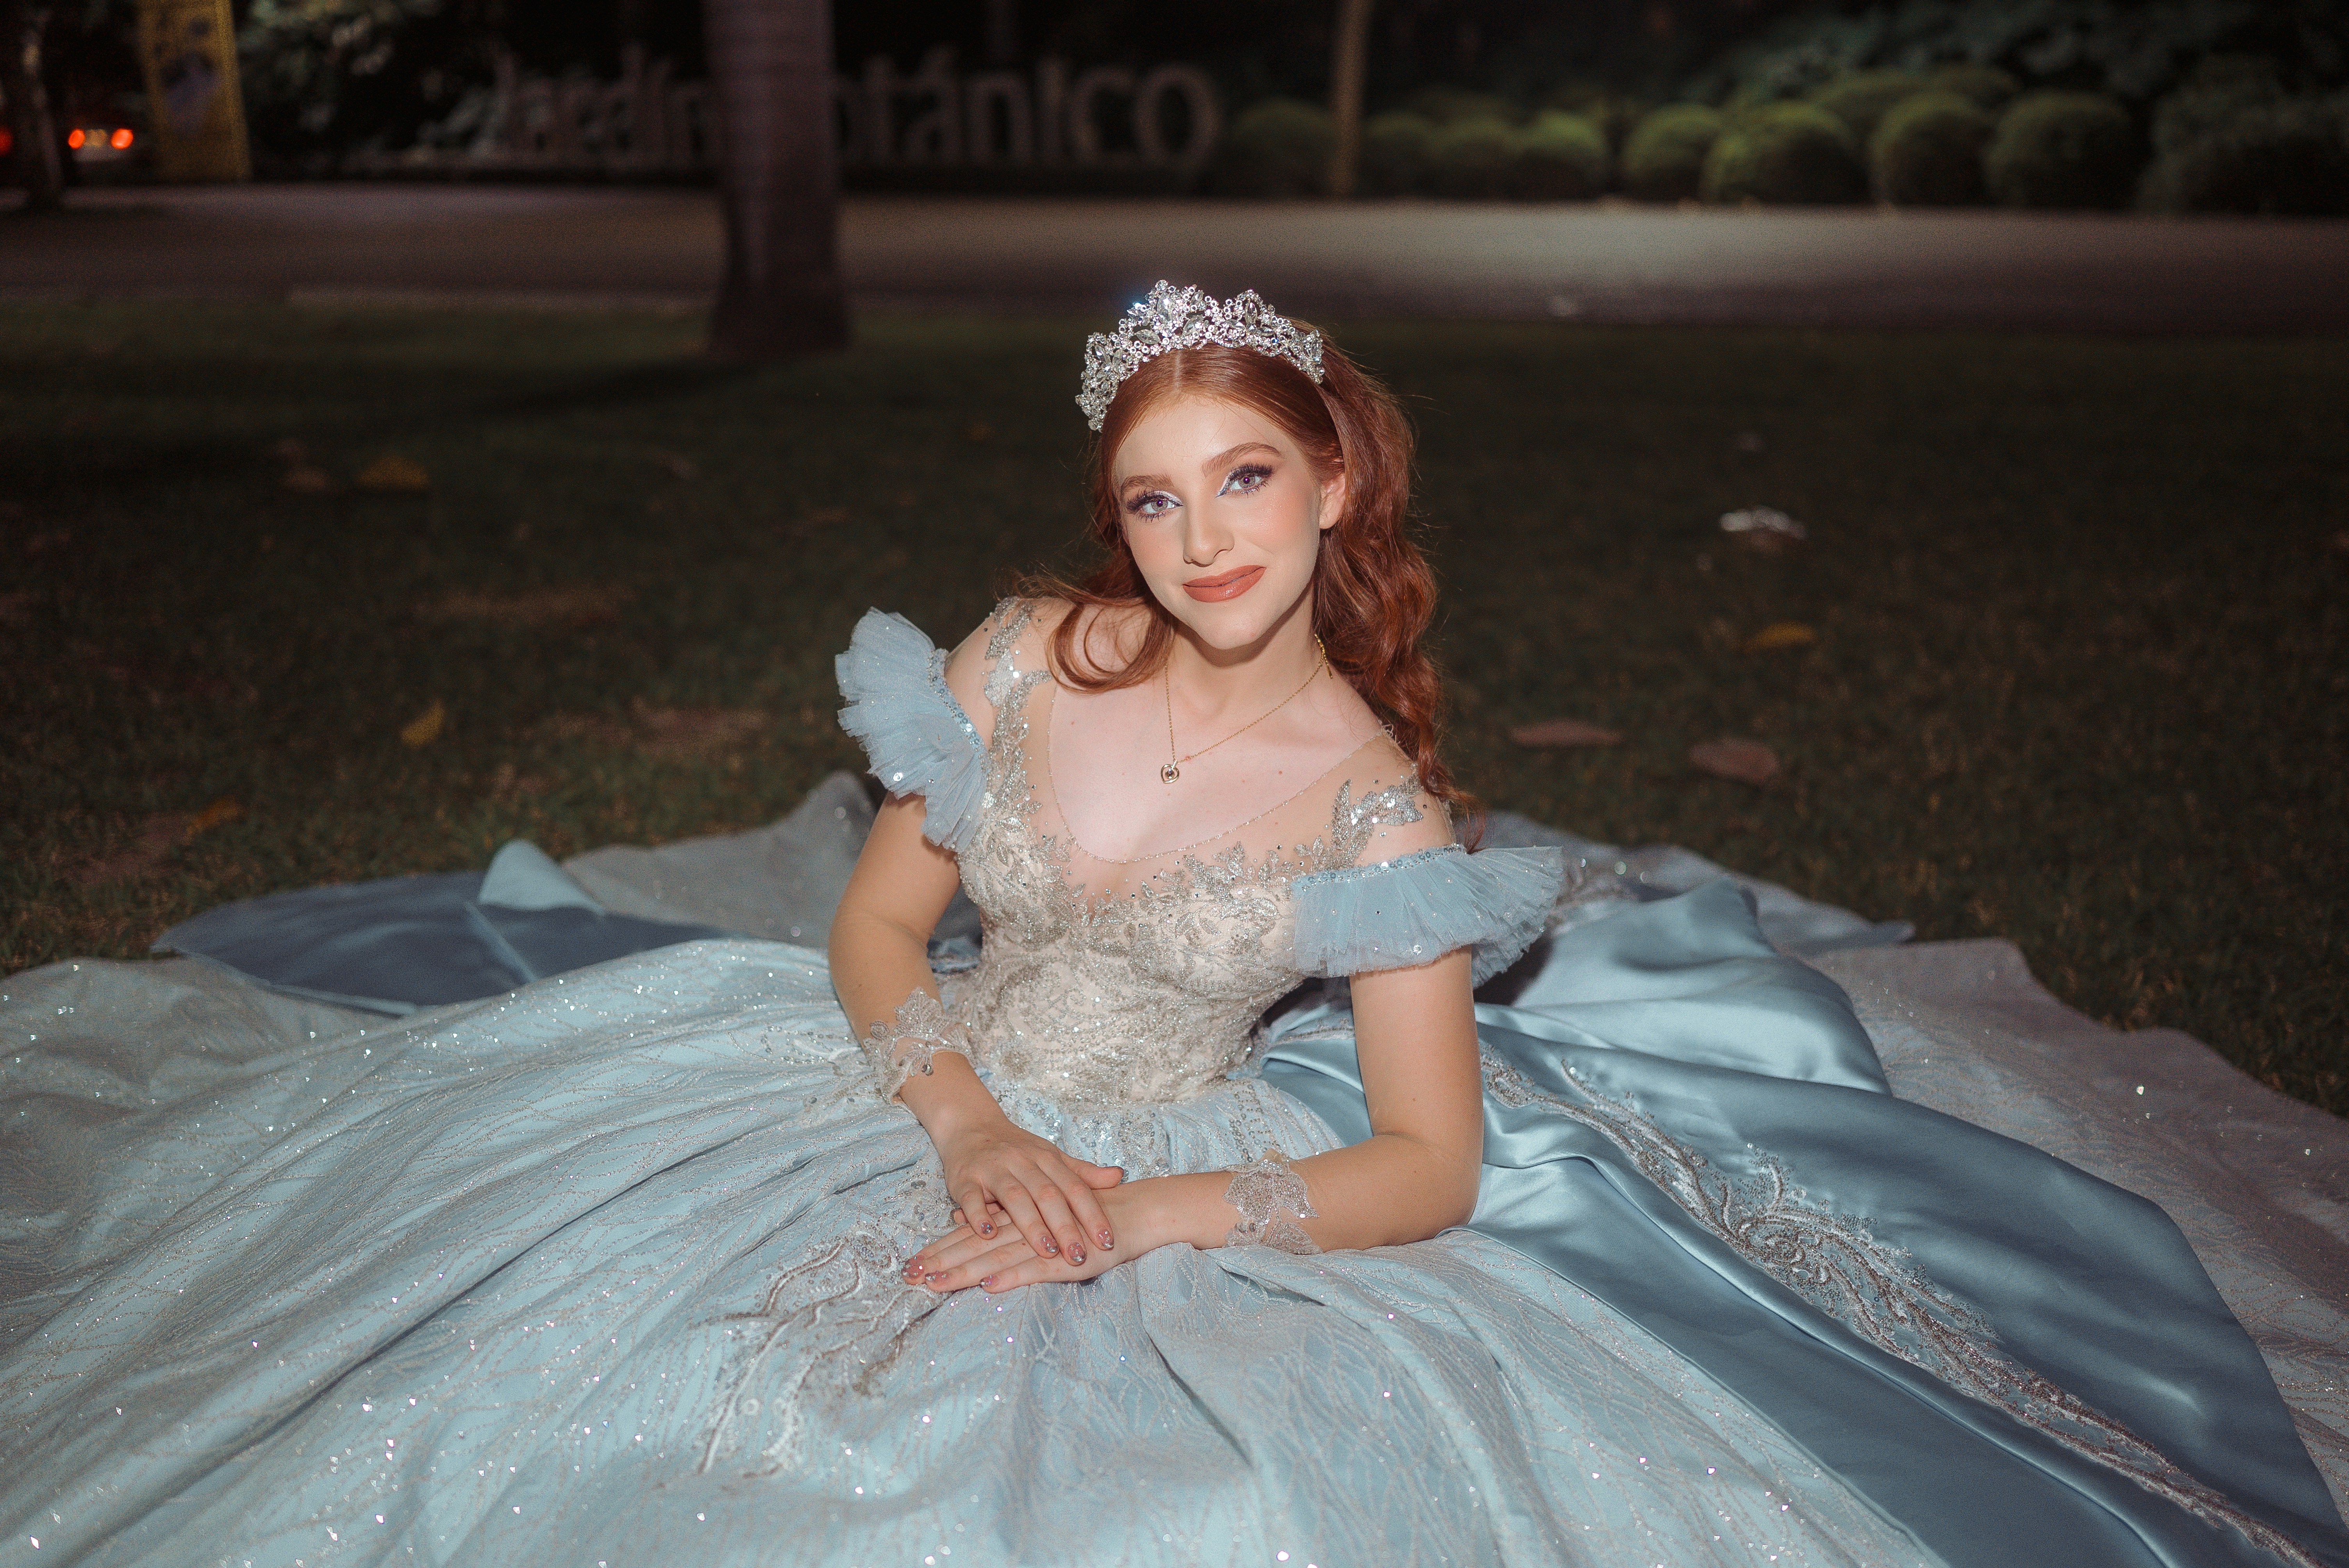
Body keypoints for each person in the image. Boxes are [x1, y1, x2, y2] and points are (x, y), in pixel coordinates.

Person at [0, 285, 2339, 1568]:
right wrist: (958, 1121)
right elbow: (874, 935)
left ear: (1336, 481)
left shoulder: (1379, 808)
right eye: (1152, 497)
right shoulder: (1023, 659)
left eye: (1245, 478)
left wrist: (1128, 1217)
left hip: (1168, 1171)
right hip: (906, 1086)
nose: (1204, 537)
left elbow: (1427, 1163)